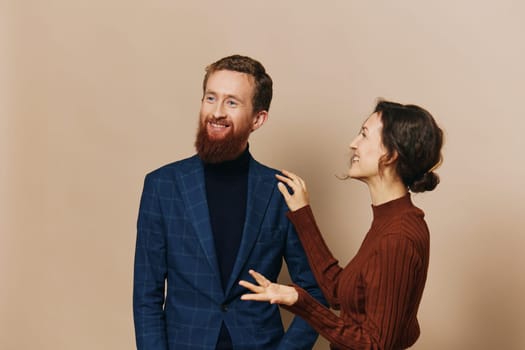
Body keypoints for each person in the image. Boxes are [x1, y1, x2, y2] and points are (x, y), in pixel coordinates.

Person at [133, 54, 325, 350]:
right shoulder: (163, 186)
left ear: (258, 119)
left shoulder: (281, 192)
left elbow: (315, 290)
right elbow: (147, 295)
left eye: (232, 102)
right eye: (211, 98)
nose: (217, 112)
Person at [240, 100, 444, 350]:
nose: (353, 143)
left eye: (364, 135)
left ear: (391, 155)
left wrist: (302, 302)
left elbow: (374, 345)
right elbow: (338, 291)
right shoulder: (390, 221)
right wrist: (303, 214)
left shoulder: (397, 236)